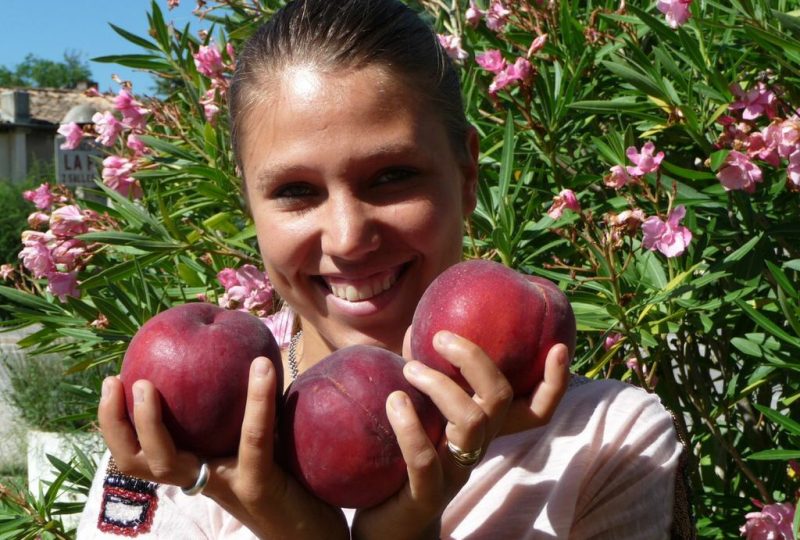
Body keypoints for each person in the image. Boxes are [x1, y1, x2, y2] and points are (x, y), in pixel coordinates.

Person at [78, 0, 686, 538]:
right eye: (294, 190)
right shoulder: (173, 440)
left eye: (392, 176)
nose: (347, 239)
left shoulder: (604, 443)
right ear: (248, 203)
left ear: (468, 174)